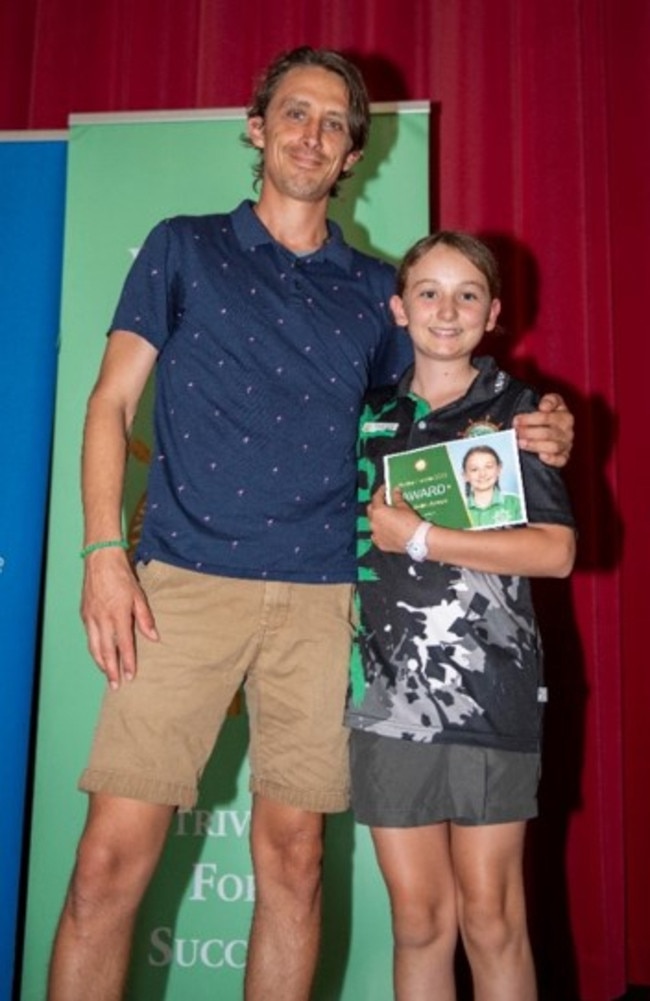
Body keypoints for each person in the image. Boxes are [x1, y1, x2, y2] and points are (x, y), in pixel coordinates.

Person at [46, 48, 575, 1001]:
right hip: (180, 589)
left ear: (351, 156)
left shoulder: (376, 293)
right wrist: (100, 555)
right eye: (295, 114)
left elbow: (450, 399)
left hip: (327, 604)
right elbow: (108, 406)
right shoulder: (181, 246)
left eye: (334, 125)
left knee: (294, 864)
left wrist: (547, 424)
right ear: (258, 129)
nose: (312, 134)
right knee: (106, 869)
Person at [346, 230, 576, 1001]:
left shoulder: (522, 417)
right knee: (418, 922)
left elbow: (555, 551)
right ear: (398, 308)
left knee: (492, 920)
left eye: (467, 293)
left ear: (495, 312)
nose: (447, 309)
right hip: (383, 703)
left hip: (492, 696)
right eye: (429, 293)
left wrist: (422, 536)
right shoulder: (366, 412)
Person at [461, 443, 524, 527]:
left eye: (488, 467)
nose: (482, 474)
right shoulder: (459, 510)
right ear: (465, 475)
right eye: (474, 469)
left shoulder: (516, 503)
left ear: (499, 469)